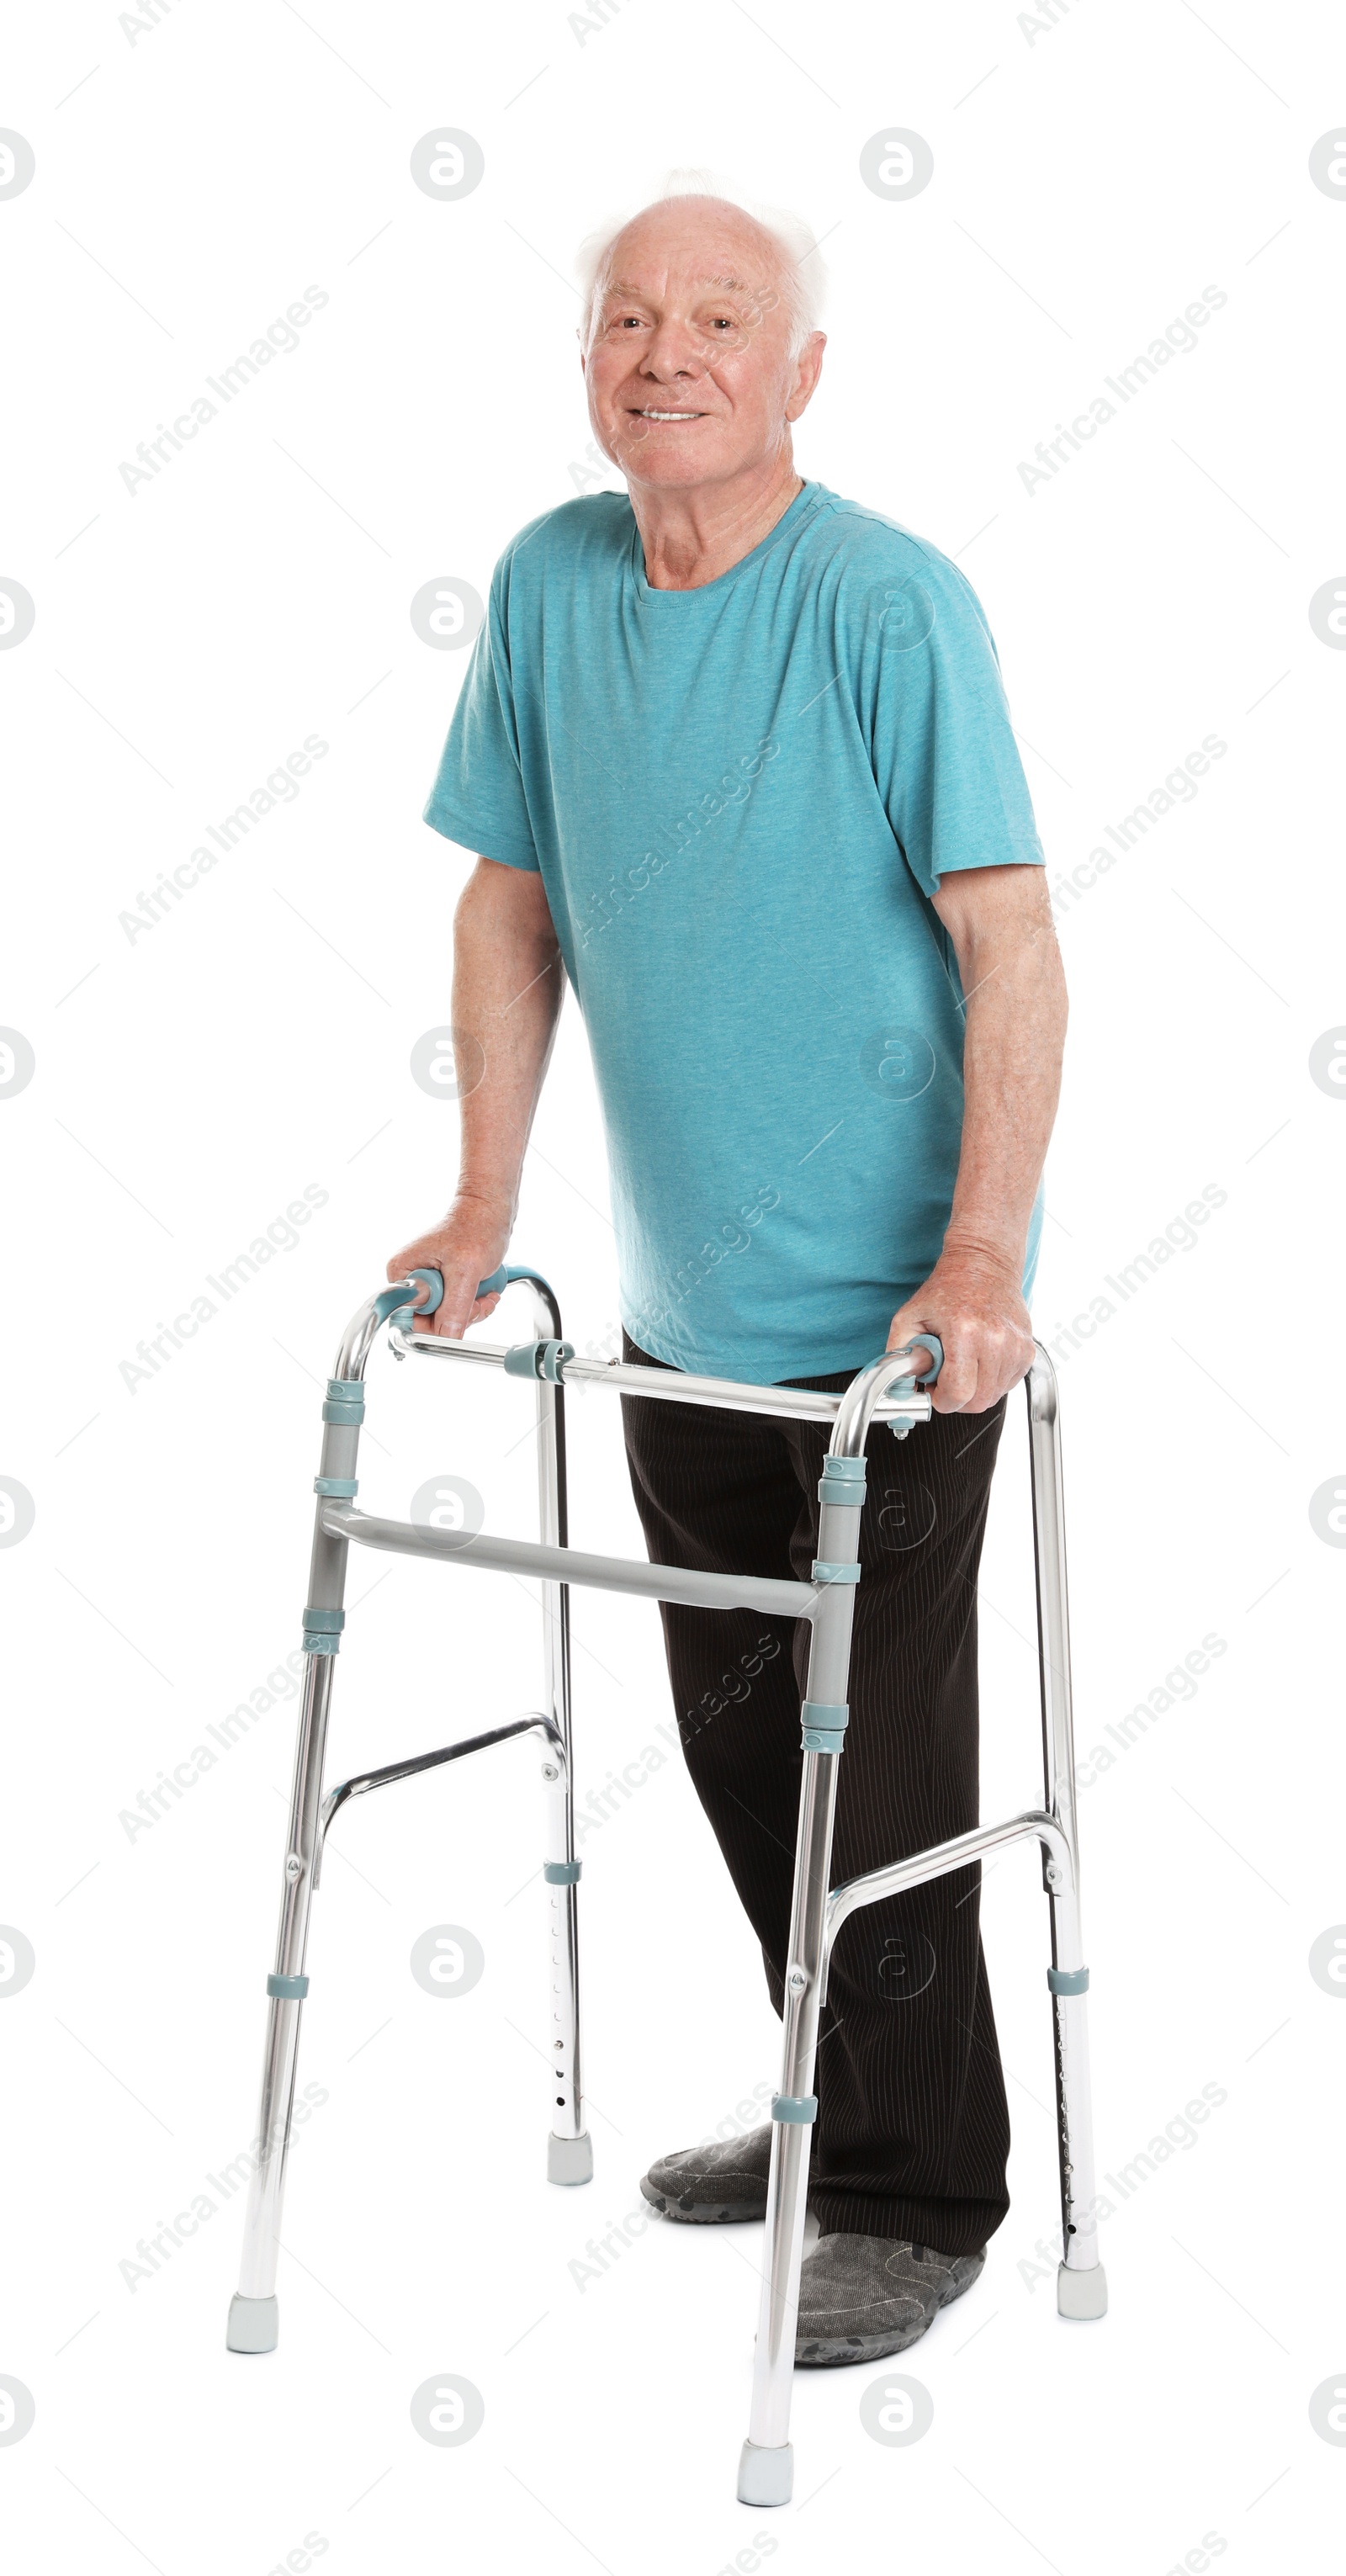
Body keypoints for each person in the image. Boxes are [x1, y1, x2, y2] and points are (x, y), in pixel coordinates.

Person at [388, 183, 1068, 2367]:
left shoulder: (890, 607)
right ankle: (828, 2106)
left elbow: (1015, 943)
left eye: (718, 319)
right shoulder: (547, 587)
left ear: (801, 374)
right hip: (682, 1322)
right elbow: (511, 905)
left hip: (895, 1345)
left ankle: (915, 2187)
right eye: (626, 319)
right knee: (737, 1745)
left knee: (877, 1775)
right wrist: (484, 1211)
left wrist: (980, 1255)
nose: (664, 352)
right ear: (587, 362)